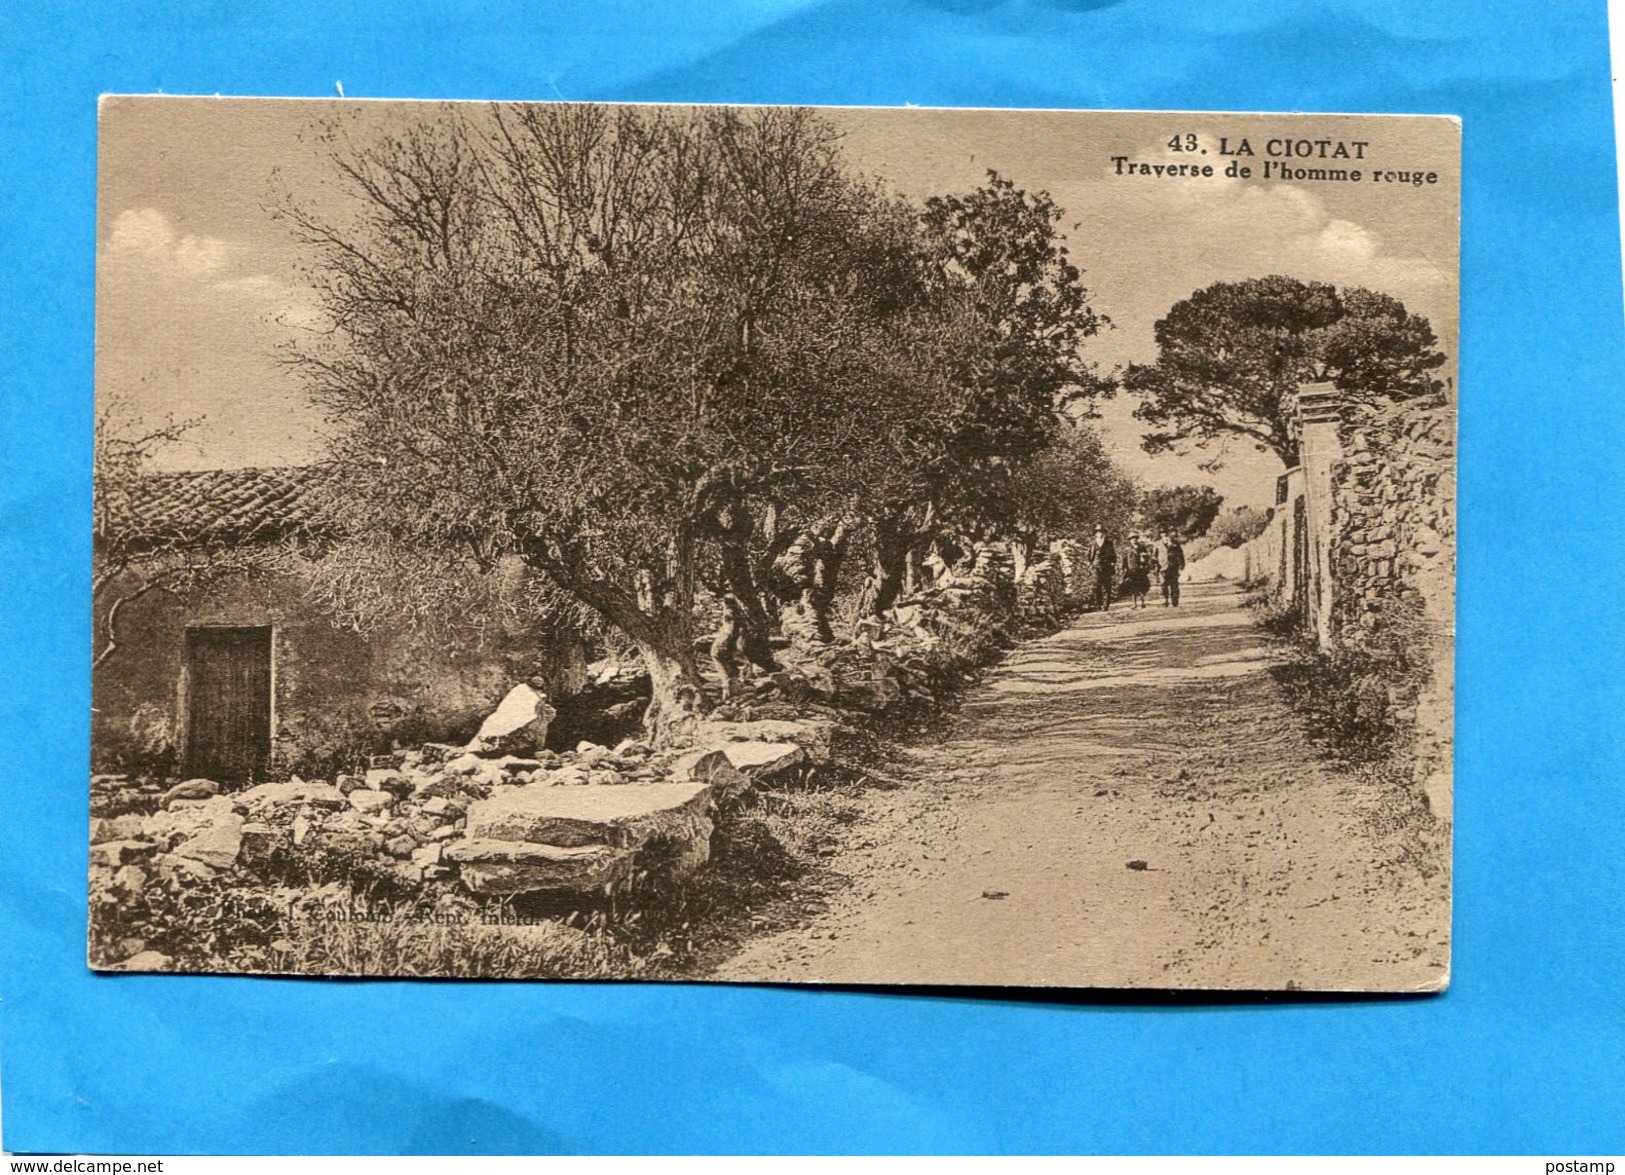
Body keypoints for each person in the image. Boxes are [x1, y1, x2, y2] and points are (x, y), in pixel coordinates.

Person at [1121, 532, 1152, 608]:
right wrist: (1124, 568)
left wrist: (1145, 562)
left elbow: (1147, 557)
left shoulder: (1142, 547)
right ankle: (1134, 603)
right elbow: (1124, 560)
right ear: (1130, 540)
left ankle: (1142, 602)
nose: (1133, 540)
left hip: (1141, 570)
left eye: (1135, 538)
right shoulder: (1127, 549)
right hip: (1131, 570)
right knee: (1132, 586)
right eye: (1132, 539)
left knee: (1142, 585)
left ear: (1137, 539)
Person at [1090, 526, 1116, 610]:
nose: (1100, 534)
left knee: (1107, 586)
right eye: (1098, 532)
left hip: (1106, 567)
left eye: (1101, 532)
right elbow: (1089, 556)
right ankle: (1098, 604)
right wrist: (1092, 564)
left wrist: (1112, 563)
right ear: (1096, 534)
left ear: (1104, 533)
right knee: (1096, 586)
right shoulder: (1093, 544)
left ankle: (1105, 605)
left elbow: (1113, 555)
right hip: (1096, 567)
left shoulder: (1109, 543)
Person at [1161, 531, 1186, 607]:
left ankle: (1175, 601)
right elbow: (1153, 557)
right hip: (1162, 568)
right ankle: (1165, 600)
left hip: (1173, 567)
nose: (1165, 537)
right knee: (1164, 585)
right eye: (1163, 535)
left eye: (1166, 535)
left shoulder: (1175, 544)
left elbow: (1181, 555)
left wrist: (1182, 565)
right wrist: (1155, 566)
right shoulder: (1158, 545)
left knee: (1174, 584)